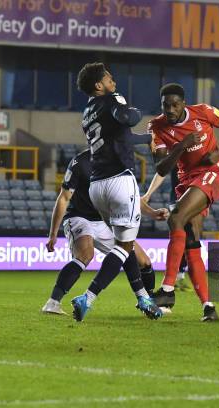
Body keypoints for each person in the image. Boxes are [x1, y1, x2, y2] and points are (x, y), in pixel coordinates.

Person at [70, 62, 161, 321]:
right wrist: (135, 111)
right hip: (119, 180)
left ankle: (143, 298)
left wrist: (146, 139)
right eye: (109, 79)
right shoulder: (112, 99)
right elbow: (129, 118)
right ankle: (87, 298)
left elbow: (122, 137)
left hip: (97, 186)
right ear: (99, 85)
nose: (114, 82)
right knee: (123, 247)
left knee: (126, 246)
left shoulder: (88, 112)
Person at [148, 83, 219, 321]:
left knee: (176, 217)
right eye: (166, 105)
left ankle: (167, 290)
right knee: (191, 239)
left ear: (183, 104)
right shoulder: (157, 127)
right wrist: (180, 147)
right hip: (186, 182)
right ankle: (209, 307)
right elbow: (161, 167)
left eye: (175, 105)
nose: (170, 109)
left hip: (213, 173)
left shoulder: (203, 111)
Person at [41, 149, 168, 315]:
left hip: (104, 220)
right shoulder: (80, 163)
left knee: (143, 261)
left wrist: (152, 212)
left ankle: (147, 302)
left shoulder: (120, 163)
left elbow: (131, 197)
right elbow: (64, 197)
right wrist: (53, 234)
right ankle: (52, 303)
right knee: (86, 255)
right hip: (80, 217)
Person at [141, 167, 191, 292]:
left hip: (193, 199)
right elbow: (161, 171)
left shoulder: (195, 151)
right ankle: (171, 280)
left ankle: (179, 277)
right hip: (177, 200)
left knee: (189, 240)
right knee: (179, 237)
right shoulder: (176, 151)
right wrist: (148, 194)